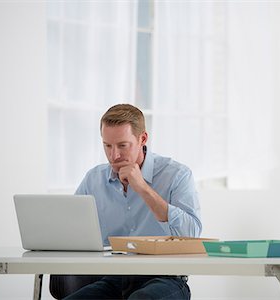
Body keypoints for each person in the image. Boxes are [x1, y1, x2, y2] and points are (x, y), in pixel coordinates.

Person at [63, 104, 202, 300]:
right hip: (112, 279)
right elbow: (69, 229)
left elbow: (192, 234)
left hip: (165, 279)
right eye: (107, 146)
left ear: (142, 139)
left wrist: (143, 188)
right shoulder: (93, 179)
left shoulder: (177, 175)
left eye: (122, 145)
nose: (114, 155)